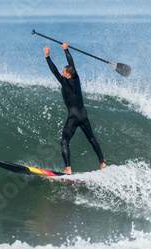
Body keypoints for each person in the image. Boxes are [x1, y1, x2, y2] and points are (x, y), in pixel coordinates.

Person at [44, 42, 106, 175]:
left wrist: (47, 57)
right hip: (83, 115)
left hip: (73, 117)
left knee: (64, 141)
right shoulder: (76, 79)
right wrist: (66, 50)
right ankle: (103, 162)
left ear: (67, 75)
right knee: (92, 139)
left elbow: (54, 71)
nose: (62, 72)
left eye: (64, 71)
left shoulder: (64, 82)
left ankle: (68, 168)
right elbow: (72, 65)